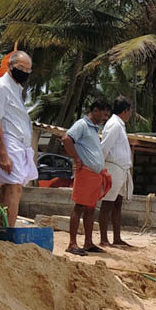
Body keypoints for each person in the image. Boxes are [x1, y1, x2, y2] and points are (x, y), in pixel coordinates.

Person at [0, 51, 37, 226]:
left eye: (27, 69)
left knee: (13, 187)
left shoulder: (16, 89)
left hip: (20, 145)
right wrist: (3, 153)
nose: (24, 72)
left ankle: (3, 229)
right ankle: (7, 230)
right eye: (20, 68)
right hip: (9, 142)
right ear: (10, 66)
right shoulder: (1, 87)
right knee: (13, 187)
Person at [62, 99, 112, 255]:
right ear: (95, 110)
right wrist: (77, 159)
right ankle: (72, 243)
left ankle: (88, 242)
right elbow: (66, 139)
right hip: (85, 172)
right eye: (104, 114)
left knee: (90, 209)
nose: (105, 118)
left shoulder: (94, 129)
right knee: (79, 207)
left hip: (94, 174)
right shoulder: (82, 124)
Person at [98, 96, 134, 247]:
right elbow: (104, 146)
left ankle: (117, 237)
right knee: (107, 204)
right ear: (125, 110)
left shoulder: (119, 125)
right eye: (129, 111)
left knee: (118, 203)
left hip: (121, 169)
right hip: (113, 168)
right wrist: (100, 168)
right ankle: (104, 238)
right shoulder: (114, 124)